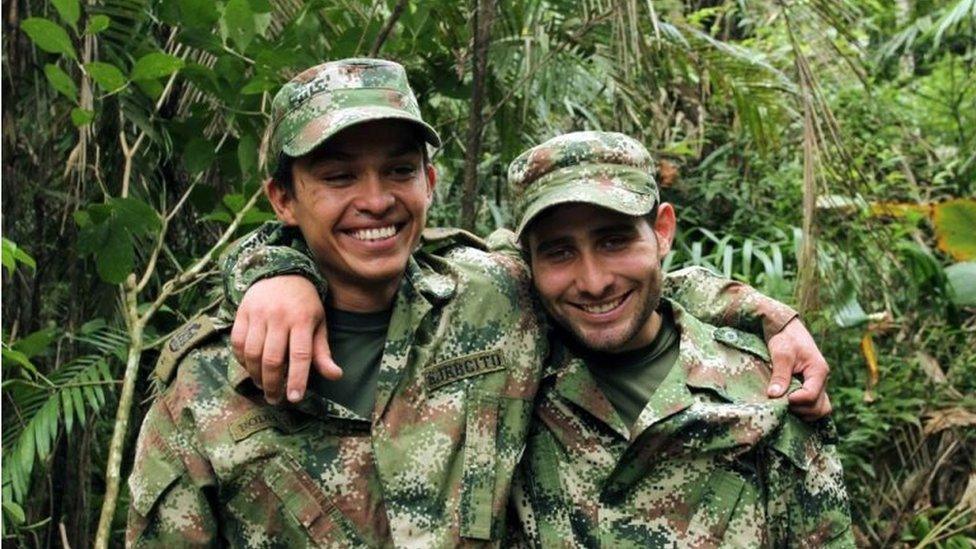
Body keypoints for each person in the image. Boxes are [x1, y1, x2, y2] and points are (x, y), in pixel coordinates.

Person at [127, 58, 831, 547]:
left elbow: (608, 280)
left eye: (399, 170)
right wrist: (270, 267)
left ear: (430, 181)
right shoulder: (207, 381)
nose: (376, 199)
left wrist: (766, 313)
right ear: (284, 198)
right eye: (339, 176)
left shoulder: (490, 294)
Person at [505, 131, 854, 547]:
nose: (594, 282)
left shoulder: (765, 393)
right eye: (559, 252)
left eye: (614, 241)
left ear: (662, 231)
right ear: (527, 261)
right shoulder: (507, 384)